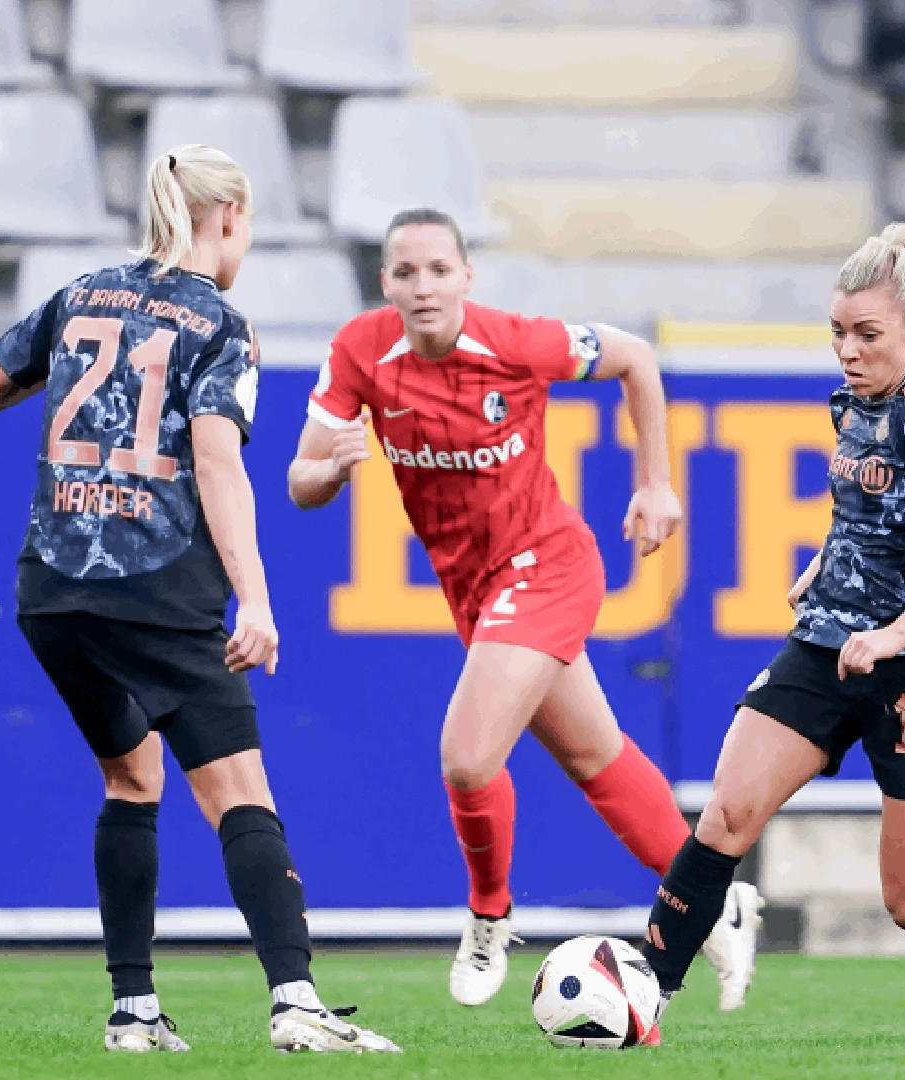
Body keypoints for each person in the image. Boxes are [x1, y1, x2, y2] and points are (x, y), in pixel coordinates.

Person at [0, 146, 399, 1054]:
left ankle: (134, 1013)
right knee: (240, 797)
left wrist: (70, 379)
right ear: (227, 217)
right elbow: (220, 461)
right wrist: (255, 601)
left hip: (53, 591)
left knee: (131, 777)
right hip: (154, 594)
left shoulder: (83, 295)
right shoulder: (221, 323)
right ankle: (297, 1003)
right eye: (249, 225)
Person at [288, 207, 761, 1011]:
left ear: (467, 276)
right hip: (473, 590)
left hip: (549, 565)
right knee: (594, 757)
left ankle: (488, 916)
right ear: (386, 284)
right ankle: (716, 900)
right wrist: (331, 470)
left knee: (468, 757)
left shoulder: (518, 342)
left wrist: (655, 482)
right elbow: (300, 481)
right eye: (406, 272)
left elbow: (636, 359)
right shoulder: (360, 351)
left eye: (440, 268)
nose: (424, 285)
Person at [633, 222, 905, 1045]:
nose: (848, 352)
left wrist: (892, 634)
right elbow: (875, 504)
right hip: (827, 645)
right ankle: (644, 999)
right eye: (837, 333)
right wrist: (829, 561)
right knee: (727, 815)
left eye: (867, 335)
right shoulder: (858, 400)